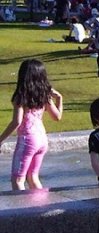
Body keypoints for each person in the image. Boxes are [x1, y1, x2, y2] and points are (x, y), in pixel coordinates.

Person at [0, 59, 63, 190]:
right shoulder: (45, 95)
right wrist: (59, 99)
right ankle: (40, 206)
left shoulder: (21, 96)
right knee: (33, 177)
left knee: (17, 180)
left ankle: (22, 209)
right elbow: (57, 117)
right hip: (42, 139)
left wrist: (1, 139)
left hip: (27, 140)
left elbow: (16, 122)